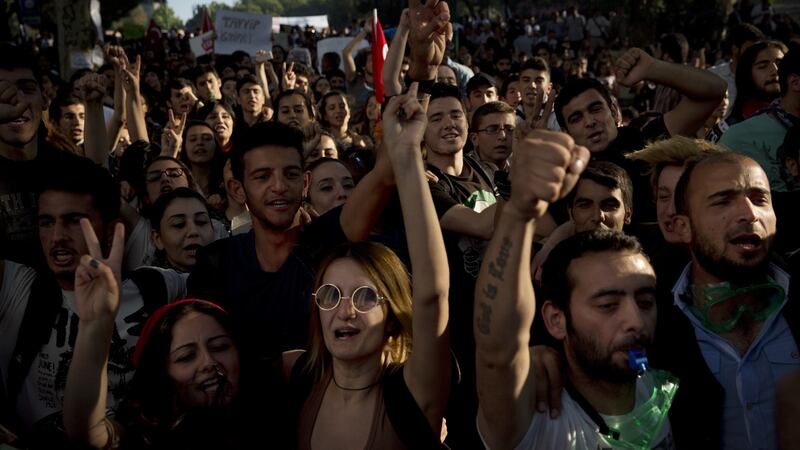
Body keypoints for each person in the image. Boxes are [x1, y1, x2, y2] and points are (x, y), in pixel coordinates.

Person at [476, 130, 671, 449]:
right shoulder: (536, 415)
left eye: (645, 300)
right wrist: (520, 211)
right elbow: (498, 349)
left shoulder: (668, 388)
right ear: (555, 319)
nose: (635, 320)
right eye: (607, 305)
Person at [284, 82, 452, 450]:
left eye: (365, 296)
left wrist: (407, 154)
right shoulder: (298, 379)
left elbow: (433, 295)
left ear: (393, 313)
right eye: (330, 295)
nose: (345, 310)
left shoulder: (413, 391)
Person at [0, 158, 187, 446]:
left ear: (110, 231)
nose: (57, 237)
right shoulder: (20, 289)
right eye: (46, 222)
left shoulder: (158, 286)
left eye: (74, 221)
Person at [187, 120, 396, 361]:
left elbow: (385, 173)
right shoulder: (216, 264)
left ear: (305, 183)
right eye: (263, 177)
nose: (279, 186)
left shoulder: (330, 240)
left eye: (291, 174)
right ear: (237, 189)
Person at [656, 151, 800, 448]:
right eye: (723, 201)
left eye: (760, 199)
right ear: (683, 226)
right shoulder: (654, 325)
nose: (749, 213)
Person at [0, 43, 87, 266]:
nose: (15, 101)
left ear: (45, 99)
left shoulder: (72, 169)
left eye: (26, 88)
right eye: (1, 90)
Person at [720, 48, 800, 194]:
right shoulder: (739, 138)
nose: (773, 70)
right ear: (795, 83)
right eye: (763, 65)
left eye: (778, 64)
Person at [148, 187, 215, 272]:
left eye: (201, 222)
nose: (193, 231)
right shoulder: (147, 283)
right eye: (179, 224)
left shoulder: (233, 276)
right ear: (158, 239)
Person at [708, 23, 765, 118]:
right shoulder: (713, 76)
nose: (755, 55)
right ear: (735, 49)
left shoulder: (762, 79)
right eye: (750, 49)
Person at [469, 101, 516, 172]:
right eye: (492, 130)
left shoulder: (524, 170)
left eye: (509, 129)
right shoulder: (464, 172)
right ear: (475, 139)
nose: (503, 136)